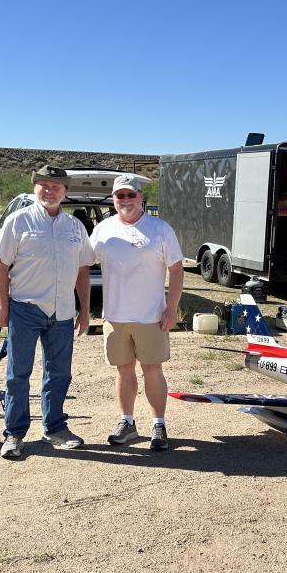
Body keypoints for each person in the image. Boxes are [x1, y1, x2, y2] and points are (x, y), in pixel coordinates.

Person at [0, 164, 94, 459]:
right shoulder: (19, 221)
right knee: (18, 375)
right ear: (35, 187)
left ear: (65, 192)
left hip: (62, 312)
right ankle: (14, 434)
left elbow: (82, 270)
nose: (49, 191)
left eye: (56, 187)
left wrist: (85, 310)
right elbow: (0, 263)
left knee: (59, 374)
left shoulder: (75, 227)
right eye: (43, 185)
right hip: (25, 309)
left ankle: (55, 429)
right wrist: (3, 307)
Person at [90, 174, 184, 451]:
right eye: (120, 196)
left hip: (151, 316)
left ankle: (159, 424)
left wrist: (172, 308)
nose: (126, 200)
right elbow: (82, 262)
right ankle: (127, 422)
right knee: (123, 370)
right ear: (113, 199)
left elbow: (176, 269)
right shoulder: (103, 229)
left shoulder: (160, 229)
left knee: (152, 370)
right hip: (116, 316)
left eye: (131, 195)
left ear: (141, 197)